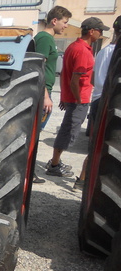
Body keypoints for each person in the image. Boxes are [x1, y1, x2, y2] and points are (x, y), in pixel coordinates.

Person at [46, 17, 109, 178]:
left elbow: (65, 74)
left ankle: (55, 162)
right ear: (92, 31)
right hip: (78, 98)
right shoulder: (83, 51)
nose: (101, 34)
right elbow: (75, 80)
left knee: (67, 129)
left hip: (72, 97)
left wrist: (65, 97)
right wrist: (79, 100)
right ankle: (54, 164)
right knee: (68, 132)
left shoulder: (73, 46)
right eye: (100, 31)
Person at [74, 15, 120, 190]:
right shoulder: (114, 53)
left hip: (97, 99)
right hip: (108, 101)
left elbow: (93, 78)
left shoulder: (102, 51)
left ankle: (82, 179)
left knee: (95, 146)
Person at [32, 6, 72, 183]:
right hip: (42, 93)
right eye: (64, 22)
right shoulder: (44, 39)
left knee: (35, 133)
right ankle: (28, 172)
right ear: (54, 21)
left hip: (44, 91)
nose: (66, 26)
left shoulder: (47, 39)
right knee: (33, 134)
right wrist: (46, 95)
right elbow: (38, 67)